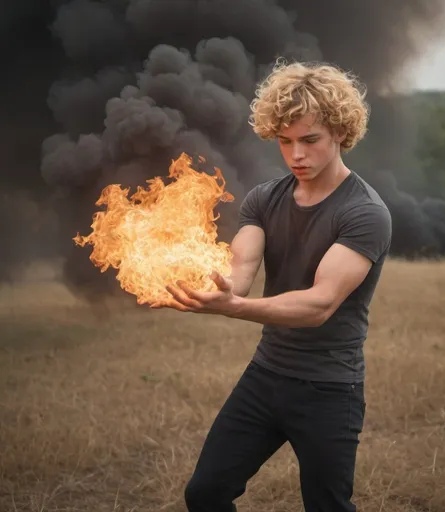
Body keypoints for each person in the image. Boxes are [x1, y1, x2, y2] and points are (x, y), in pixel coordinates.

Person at [163, 60, 392, 511]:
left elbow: (319, 305)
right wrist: (211, 287)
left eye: (310, 140)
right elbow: (240, 272)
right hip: (265, 378)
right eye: (284, 142)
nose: (295, 155)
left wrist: (232, 309)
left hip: (329, 388)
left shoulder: (365, 213)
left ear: (341, 133)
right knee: (205, 493)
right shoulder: (264, 199)